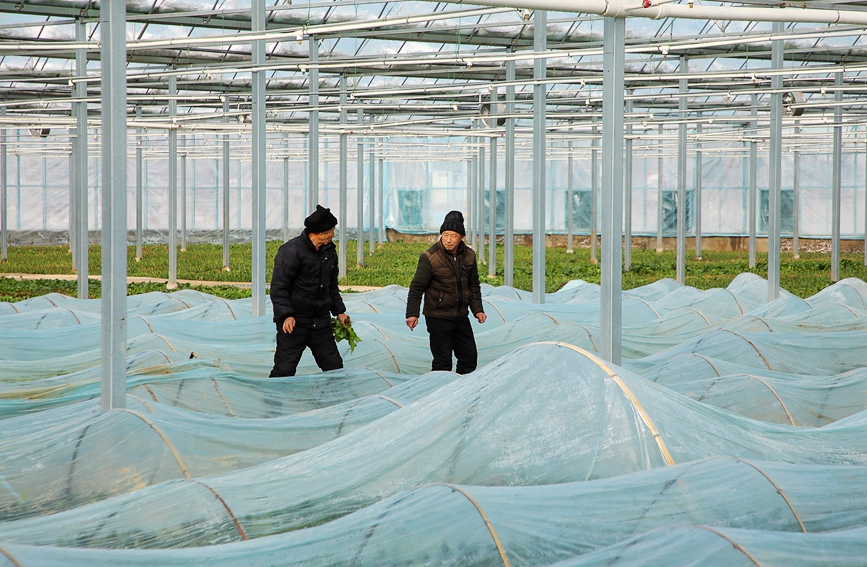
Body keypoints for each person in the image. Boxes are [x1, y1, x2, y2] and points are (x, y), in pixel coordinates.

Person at [269, 205, 351, 377]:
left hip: (320, 322)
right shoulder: (291, 252)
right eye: (331, 231)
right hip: (295, 323)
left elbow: (331, 286)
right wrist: (286, 315)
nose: (333, 235)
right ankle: (272, 403)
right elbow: (279, 287)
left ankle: (335, 401)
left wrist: (340, 312)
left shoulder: (329, 252)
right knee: (284, 370)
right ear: (319, 233)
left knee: (334, 367)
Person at [405, 210, 486, 374]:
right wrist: (412, 314)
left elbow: (473, 286)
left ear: (461, 237)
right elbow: (417, 287)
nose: (448, 240)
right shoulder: (430, 257)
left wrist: (477, 310)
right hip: (438, 316)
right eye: (445, 234)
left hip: (461, 316)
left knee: (469, 358)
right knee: (443, 362)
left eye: (453, 235)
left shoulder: (469, 255)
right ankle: (441, 396)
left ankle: (461, 393)